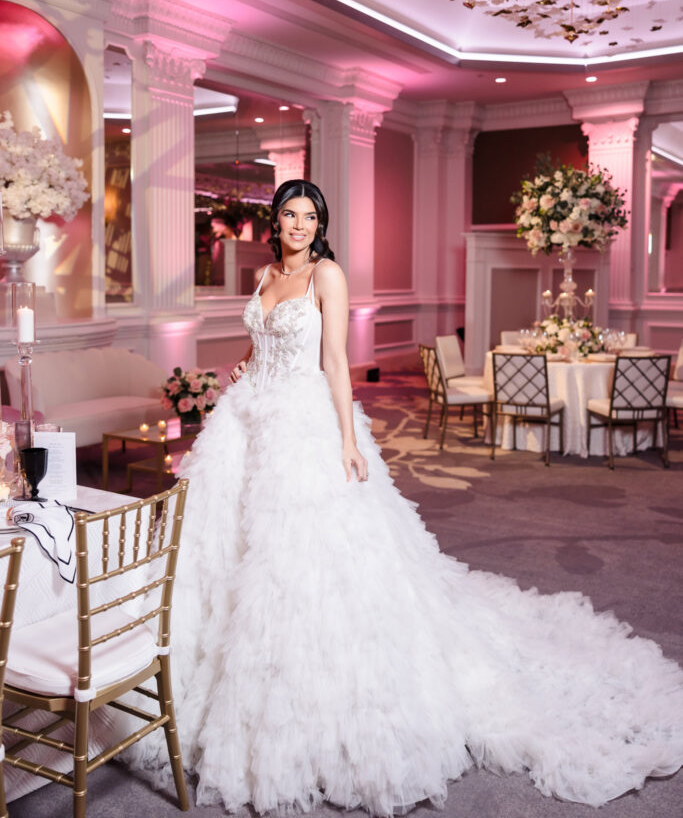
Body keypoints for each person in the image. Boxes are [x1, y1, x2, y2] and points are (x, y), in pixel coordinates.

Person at [132, 179, 683, 815]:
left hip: (301, 426)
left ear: (321, 223)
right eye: (290, 214)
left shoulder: (327, 275)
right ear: (274, 220)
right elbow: (263, 345)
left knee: (298, 560)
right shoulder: (264, 275)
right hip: (246, 421)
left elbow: (334, 361)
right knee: (225, 552)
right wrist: (243, 367)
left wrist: (347, 440)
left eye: (311, 216)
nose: (300, 225)